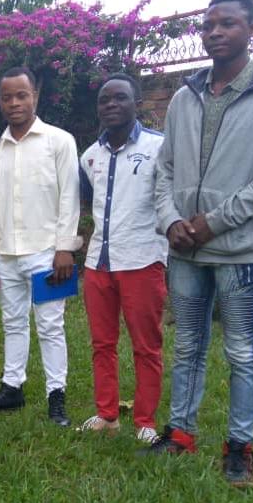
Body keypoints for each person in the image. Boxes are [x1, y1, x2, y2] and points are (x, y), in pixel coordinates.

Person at [150, 0, 253, 485]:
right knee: (188, 344)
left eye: (228, 23)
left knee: (241, 349)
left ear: (252, 30)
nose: (215, 32)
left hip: (240, 251)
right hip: (185, 250)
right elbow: (164, 168)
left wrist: (214, 222)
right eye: (208, 25)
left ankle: (239, 446)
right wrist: (170, 220)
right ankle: (181, 433)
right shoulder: (185, 96)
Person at [0, 66, 81, 426]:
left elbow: (69, 198)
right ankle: (12, 388)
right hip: (7, 255)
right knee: (13, 322)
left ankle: (56, 395)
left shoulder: (59, 141)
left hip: (47, 254)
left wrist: (64, 248)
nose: (15, 103)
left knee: (50, 326)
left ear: (35, 95)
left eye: (22, 95)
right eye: (7, 97)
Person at [77, 74, 167, 443]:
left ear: (138, 103)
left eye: (120, 98)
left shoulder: (159, 147)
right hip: (99, 263)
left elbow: (170, 197)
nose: (111, 105)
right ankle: (107, 414)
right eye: (104, 100)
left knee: (146, 345)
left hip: (143, 260)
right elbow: (88, 202)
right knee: (102, 343)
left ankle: (145, 421)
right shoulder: (89, 156)